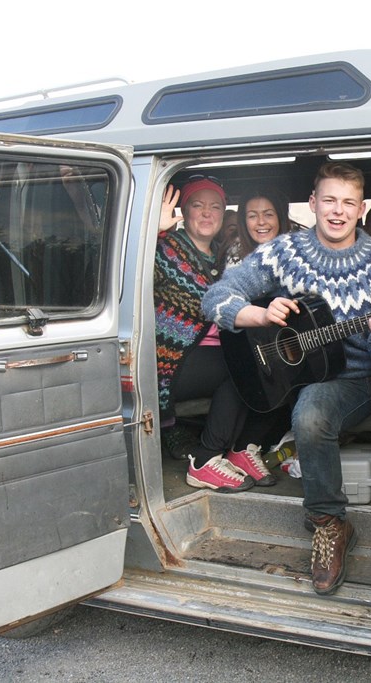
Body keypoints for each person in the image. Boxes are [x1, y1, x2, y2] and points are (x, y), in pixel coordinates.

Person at [203, 162, 371, 595]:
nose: (338, 211)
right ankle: (328, 521)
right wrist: (258, 315)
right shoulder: (283, 252)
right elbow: (216, 296)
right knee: (308, 415)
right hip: (334, 385)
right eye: (329, 200)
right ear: (313, 203)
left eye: (348, 202)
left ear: (360, 208)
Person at [154, 175, 277, 492]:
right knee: (241, 365)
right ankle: (205, 460)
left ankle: (240, 449)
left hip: (210, 355)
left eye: (215, 207)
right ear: (184, 211)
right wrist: (154, 233)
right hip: (171, 364)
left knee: (270, 364)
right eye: (198, 206)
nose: (207, 213)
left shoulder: (222, 256)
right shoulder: (166, 248)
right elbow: (126, 275)